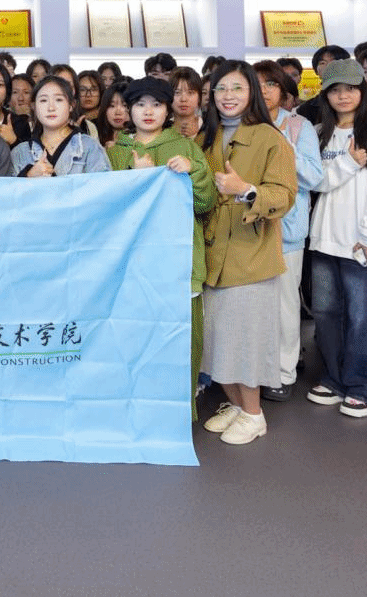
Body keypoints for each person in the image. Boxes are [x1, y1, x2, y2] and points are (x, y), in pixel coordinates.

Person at [196, 62, 298, 445]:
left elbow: (284, 195)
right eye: (221, 88)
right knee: (217, 341)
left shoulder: (271, 138)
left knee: (245, 343)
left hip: (249, 253)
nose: (228, 96)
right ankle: (238, 407)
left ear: (252, 92)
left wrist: (245, 189)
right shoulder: (206, 136)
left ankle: (254, 414)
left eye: (237, 88)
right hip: (211, 254)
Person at [107, 77, 216, 398]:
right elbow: (107, 212)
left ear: (168, 110)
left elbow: (205, 202)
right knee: (135, 342)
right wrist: (136, 177)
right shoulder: (115, 154)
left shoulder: (185, 147)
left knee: (182, 342)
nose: (148, 111)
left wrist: (193, 171)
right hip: (132, 267)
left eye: (156, 104)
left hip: (179, 264)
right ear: (129, 110)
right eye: (140, 104)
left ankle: (182, 412)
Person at [305, 59, 367, 419]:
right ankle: (335, 378)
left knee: (364, 318)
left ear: (362, 92)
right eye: (335, 90)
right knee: (326, 314)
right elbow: (314, 181)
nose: (343, 96)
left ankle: (363, 386)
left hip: (363, 242)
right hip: (324, 239)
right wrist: (346, 163)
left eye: (350, 89)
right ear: (326, 95)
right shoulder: (318, 133)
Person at [253, 61, 322, 403]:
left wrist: (283, 145)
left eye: (271, 84)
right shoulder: (237, 123)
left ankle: (283, 371)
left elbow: (314, 176)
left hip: (287, 229)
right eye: (257, 83)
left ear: (283, 91)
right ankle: (252, 370)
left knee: (284, 303)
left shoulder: (298, 126)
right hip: (247, 227)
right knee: (251, 305)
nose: (264, 90)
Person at [12, 75, 111, 177]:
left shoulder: (89, 146)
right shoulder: (20, 152)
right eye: (43, 100)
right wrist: (28, 175)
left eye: (58, 100)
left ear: (71, 105)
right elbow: (8, 186)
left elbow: (103, 185)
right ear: (34, 106)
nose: (51, 108)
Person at [296, 44, 351, 124]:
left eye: (334, 62)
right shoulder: (306, 109)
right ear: (316, 70)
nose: (328, 66)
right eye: (323, 63)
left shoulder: (359, 101)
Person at [95, 79, 131, 148]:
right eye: (112, 106)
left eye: (125, 105)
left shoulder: (142, 138)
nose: (118, 112)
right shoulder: (94, 136)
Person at [170, 67, 203, 139]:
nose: (183, 99)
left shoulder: (207, 127)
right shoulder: (160, 129)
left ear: (199, 97)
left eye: (190, 93)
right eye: (177, 93)